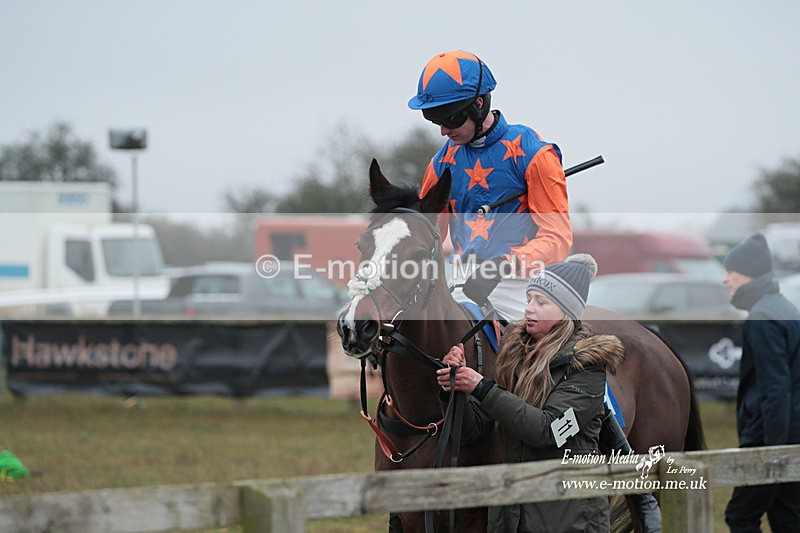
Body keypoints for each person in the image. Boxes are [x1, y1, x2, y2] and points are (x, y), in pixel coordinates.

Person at [436, 254, 661, 532]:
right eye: (529, 299)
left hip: (570, 522)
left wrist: (481, 387)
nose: (529, 309)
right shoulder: (513, 356)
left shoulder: (587, 368)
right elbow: (475, 430)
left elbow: (548, 431)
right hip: (512, 518)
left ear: (566, 311)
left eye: (541, 302)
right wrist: (455, 389)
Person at [408, 50, 572, 320]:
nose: (443, 131)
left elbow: (557, 238)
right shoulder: (440, 164)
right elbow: (424, 236)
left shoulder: (534, 154)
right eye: (435, 120)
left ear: (479, 104)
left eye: (450, 118)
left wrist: (503, 266)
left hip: (523, 289)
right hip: (460, 284)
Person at [722, 233, 800, 532]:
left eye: (731, 272)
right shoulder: (784, 308)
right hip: (791, 438)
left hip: (771, 442)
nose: (726, 280)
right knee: (788, 519)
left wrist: (773, 455)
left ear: (749, 275)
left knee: (740, 516)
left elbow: (775, 391)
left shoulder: (763, 317)